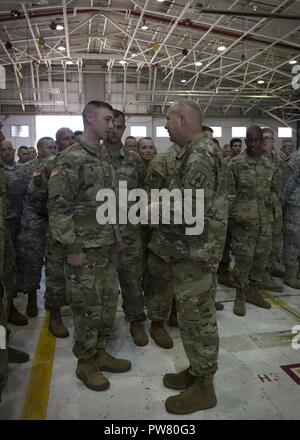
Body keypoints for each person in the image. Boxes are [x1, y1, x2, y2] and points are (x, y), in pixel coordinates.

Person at [148, 100, 227, 414]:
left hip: (197, 253)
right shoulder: (192, 153)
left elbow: (193, 208)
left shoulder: (199, 154)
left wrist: (154, 208)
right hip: (189, 251)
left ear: (182, 119)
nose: (166, 126)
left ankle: (205, 386)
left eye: (168, 119)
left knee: (199, 320)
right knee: (191, 319)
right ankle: (197, 371)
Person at [48, 101, 131, 391]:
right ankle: (85, 363)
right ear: (91, 119)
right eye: (107, 119)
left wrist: (116, 234)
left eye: (113, 120)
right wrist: (72, 249)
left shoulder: (105, 157)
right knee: (86, 308)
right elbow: (59, 209)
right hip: (84, 251)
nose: (112, 125)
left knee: (108, 304)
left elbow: (108, 202)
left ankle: (99, 353)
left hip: (107, 247)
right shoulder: (70, 158)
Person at [104, 110, 147, 346]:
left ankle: (136, 321)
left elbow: (143, 194)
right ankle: (104, 326)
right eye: (110, 125)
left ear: (124, 129)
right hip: (100, 234)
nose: (114, 130)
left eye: (119, 126)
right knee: (105, 285)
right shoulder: (95, 157)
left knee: (132, 279)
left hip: (129, 231)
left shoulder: (134, 159)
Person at [27, 128, 75, 338]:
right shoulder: (48, 165)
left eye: (73, 137)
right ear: (58, 143)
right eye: (66, 139)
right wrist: (52, 215)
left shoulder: (82, 163)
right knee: (55, 275)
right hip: (56, 231)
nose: (71, 141)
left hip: (81, 231)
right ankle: (54, 316)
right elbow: (35, 198)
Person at [229, 126, 274, 316]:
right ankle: (240, 294)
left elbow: (274, 189)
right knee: (243, 259)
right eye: (250, 140)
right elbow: (227, 195)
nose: (254, 144)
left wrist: (272, 201)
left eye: (257, 140)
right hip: (245, 223)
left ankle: (253, 292)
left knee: (261, 258)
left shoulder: (268, 164)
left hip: (264, 221)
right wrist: (240, 217)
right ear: (246, 141)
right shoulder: (235, 164)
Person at [19, 137, 57, 317]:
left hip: (52, 222)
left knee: (53, 265)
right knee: (32, 263)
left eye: (55, 147)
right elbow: (17, 196)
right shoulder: (26, 169)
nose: (53, 150)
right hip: (32, 223)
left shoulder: (59, 167)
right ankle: (31, 297)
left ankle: (54, 300)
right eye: (50, 147)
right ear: (40, 150)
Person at [0, 140, 27, 325]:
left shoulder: (21, 169)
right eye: (3, 150)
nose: (7, 152)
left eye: (10, 149)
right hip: (5, 221)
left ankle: (10, 304)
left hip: (21, 220)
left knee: (17, 261)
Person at [261, 128, 285, 286]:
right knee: (263, 245)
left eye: (269, 138)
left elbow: (280, 185)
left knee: (276, 243)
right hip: (260, 211)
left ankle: (269, 268)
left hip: (275, 209)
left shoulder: (279, 161)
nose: (265, 141)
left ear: (273, 141)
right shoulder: (253, 160)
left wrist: (275, 199)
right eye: (263, 138)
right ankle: (262, 274)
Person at [282, 149, 300, 288]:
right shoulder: (295, 157)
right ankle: (290, 274)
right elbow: (287, 184)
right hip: (295, 205)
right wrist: (282, 206)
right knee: (293, 241)